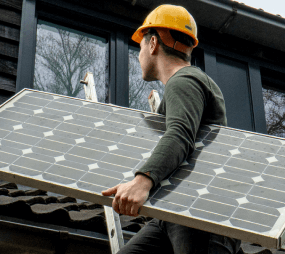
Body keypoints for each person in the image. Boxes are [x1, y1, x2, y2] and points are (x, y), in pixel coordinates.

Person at [102, 4, 243, 254]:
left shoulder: (184, 81)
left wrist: (142, 181)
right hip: (175, 210)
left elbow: (179, 135)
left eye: (140, 45)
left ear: (153, 43)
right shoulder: (188, 83)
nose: (138, 55)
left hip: (200, 207)